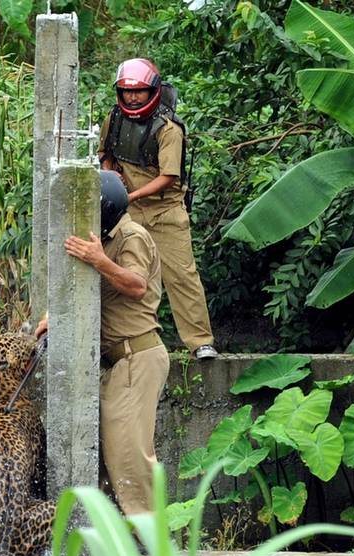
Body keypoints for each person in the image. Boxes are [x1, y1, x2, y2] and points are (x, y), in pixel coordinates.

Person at [36, 171, 168, 515]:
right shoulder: (106, 240)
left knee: (130, 458)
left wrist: (99, 260)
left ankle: (151, 546)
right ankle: (119, 541)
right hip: (116, 363)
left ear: (105, 208)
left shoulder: (131, 236)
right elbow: (92, 294)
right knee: (110, 459)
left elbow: (137, 285)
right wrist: (56, 318)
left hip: (135, 357)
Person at [98, 57, 218, 360]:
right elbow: (105, 155)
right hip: (127, 208)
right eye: (127, 91)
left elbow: (168, 178)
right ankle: (130, 342)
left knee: (181, 275)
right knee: (126, 275)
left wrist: (131, 195)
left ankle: (200, 341)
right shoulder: (114, 118)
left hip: (165, 211)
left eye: (138, 91)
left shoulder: (168, 128)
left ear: (152, 91)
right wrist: (112, 176)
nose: (132, 97)